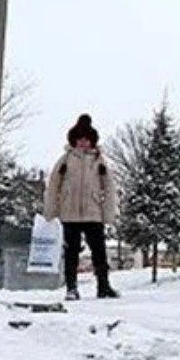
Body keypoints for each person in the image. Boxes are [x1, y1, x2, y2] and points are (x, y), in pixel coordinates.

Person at [44, 114, 118, 300]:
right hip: (69, 213)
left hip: (93, 213)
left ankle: (104, 286)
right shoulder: (65, 160)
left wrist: (108, 213)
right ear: (74, 140)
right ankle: (71, 288)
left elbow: (109, 188)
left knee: (99, 252)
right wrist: (51, 211)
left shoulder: (100, 161)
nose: (83, 143)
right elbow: (53, 185)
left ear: (92, 141)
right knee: (71, 253)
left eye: (87, 140)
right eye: (80, 139)